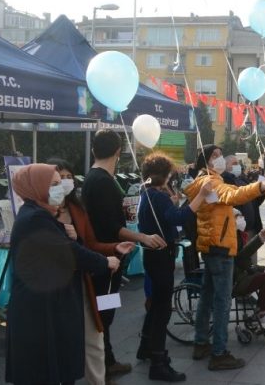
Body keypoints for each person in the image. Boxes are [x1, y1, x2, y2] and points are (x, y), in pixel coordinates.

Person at [5, 164, 119, 385]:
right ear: (37, 187)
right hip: (38, 308)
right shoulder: (36, 218)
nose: (60, 189)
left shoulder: (40, 214)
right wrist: (105, 262)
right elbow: (70, 253)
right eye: (54, 184)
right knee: (41, 370)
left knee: (52, 365)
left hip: (48, 303)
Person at [184, 144, 265, 370]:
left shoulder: (208, 181)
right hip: (219, 248)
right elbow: (233, 194)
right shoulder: (209, 182)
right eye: (215, 156)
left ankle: (201, 342)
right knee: (221, 302)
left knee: (208, 298)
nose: (220, 159)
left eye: (221, 155)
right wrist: (262, 185)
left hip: (213, 246)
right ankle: (219, 353)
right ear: (206, 161)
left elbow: (230, 195)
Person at [82, 129, 166, 379]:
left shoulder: (93, 178)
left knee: (104, 311)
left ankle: (107, 359)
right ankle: (104, 365)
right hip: (107, 258)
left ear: (94, 149)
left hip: (105, 256)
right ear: (119, 152)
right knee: (104, 313)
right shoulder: (103, 182)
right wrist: (143, 237)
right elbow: (112, 228)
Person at [49, 158, 135, 385]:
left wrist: (113, 248)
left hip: (87, 281)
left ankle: (101, 375)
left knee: (96, 334)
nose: (65, 182)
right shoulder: (42, 211)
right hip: (60, 286)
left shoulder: (78, 208)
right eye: (59, 178)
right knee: (64, 341)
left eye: (68, 177)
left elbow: (91, 244)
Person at [137, 152, 212, 381]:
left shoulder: (147, 192)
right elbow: (179, 218)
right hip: (162, 256)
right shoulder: (157, 196)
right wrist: (200, 195)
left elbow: (168, 216)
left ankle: (146, 346)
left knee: (157, 304)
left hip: (153, 255)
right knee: (162, 310)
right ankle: (158, 361)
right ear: (164, 174)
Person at [232, 217, 265, 327]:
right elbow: (241, 258)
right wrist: (261, 237)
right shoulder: (232, 237)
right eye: (238, 217)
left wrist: (261, 268)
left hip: (241, 275)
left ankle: (262, 310)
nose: (242, 218)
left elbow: (244, 260)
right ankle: (263, 313)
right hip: (236, 281)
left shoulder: (238, 235)